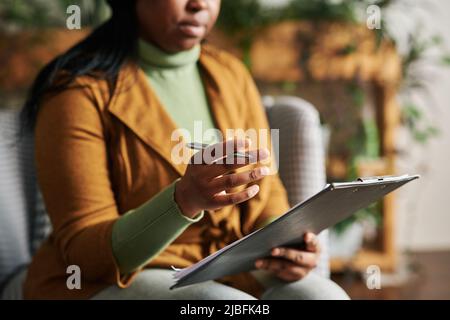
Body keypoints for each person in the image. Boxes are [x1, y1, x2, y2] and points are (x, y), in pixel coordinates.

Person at [20, 0, 349, 300]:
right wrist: (184, 199)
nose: (199, 4)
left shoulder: (230, 74)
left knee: (323, 297)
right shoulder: (76, 93)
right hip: (105, 280)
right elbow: (85, 253)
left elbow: (266, 191)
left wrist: (286, 245)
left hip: (226, 271)